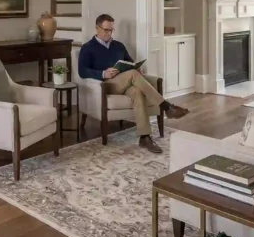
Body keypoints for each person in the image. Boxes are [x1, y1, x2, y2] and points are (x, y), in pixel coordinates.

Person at [78, 14, 189, 153]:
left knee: (137, 92)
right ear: (97, 28)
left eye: (111, 30)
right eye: (106, 30)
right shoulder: (87, 48)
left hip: (125, 82)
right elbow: (82, 71)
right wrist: (103, 73)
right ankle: (166, 106)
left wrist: (137, 68)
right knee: (132, 75)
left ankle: (145, 137)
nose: (109, 33)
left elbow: (129, 63)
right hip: (105, 85)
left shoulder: (118, 46)